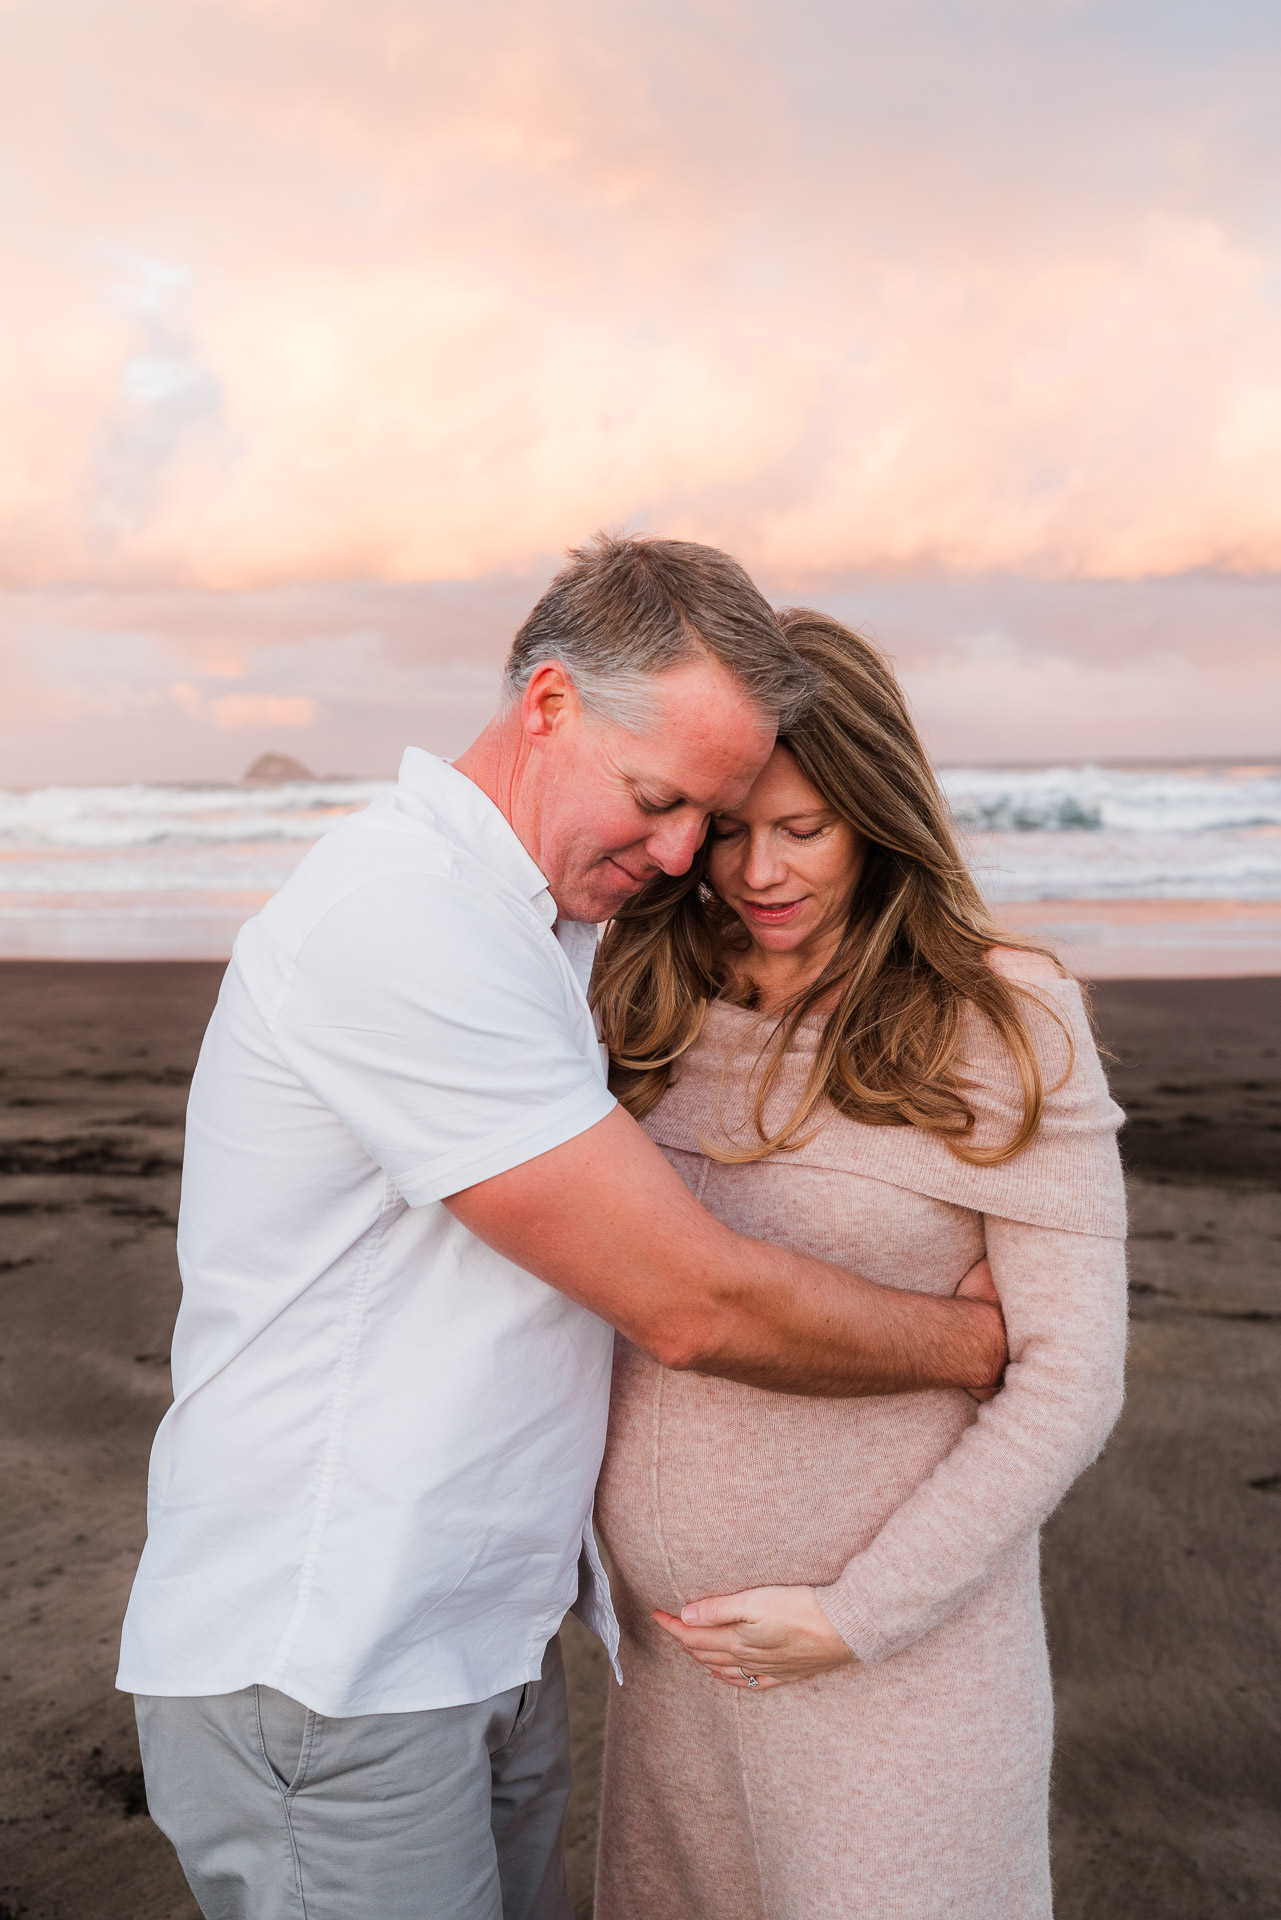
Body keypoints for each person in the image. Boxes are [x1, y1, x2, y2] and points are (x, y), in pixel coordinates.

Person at [117, 537, 1006, 1920]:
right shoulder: (405, 921)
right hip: (329, 1667)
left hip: (473, 1646)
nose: (674, 856)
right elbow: (689, 1302)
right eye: (656, 799)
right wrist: (978, 1345)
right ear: (546, 705)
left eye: (703, 820)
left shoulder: (535, 926)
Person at [590, 607, 1128, 1920]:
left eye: (804, 829)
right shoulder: (637, 996)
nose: (755, 872)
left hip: (892, 1685)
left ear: (879, 814)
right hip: (665, 1688)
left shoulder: (999, 1018)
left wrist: (858, 1615)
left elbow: (1068, 1381)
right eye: (724, 827)